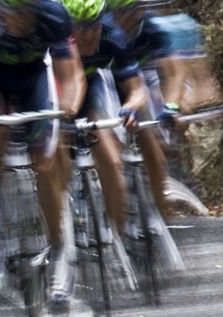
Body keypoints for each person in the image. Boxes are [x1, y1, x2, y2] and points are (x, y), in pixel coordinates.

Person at [0, 0, 85, 310]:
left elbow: (70, 75)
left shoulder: (54, 15)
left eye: (25, 13)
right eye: (11, 14)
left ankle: (59, 251)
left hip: (34, 78)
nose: (18, 21)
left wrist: (68, 106)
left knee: (45, 161)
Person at [61, 0, 148, 238]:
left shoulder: (113, 36)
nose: (88, 36)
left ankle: (119, 243)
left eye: (94, 27)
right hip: (56, 90)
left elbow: (137, 89)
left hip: (91, 89)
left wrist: (130, 107)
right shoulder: (54, 37)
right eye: (80, 28)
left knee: (111, 161)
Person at [107, 0, 184, 216]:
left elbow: (174, 73)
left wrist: (171, 105)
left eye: (126, 12)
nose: (120, 18)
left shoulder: (149, 28)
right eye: (115, 13)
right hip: (108, 81)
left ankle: (161, 214)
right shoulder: (104, 28)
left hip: (137, 82)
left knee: (152, 143)